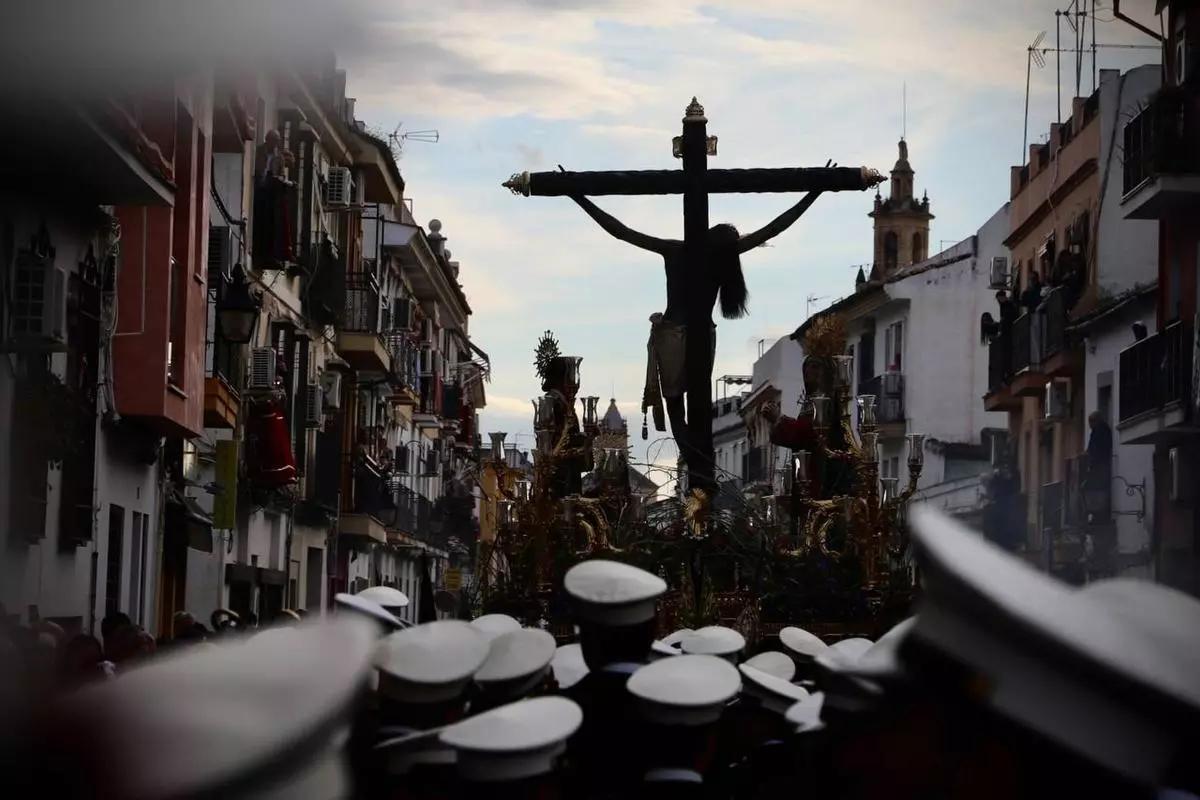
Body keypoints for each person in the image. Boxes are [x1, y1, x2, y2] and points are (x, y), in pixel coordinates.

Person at [568, 168, 832, 494]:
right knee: (699, 407)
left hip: (671, 335)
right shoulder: (724, 258)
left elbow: (620, 231)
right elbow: (774, 228)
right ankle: (701, 468)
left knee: (677, 408)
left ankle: (696, 465)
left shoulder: (675, 250)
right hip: (703, 336)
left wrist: (578, 196)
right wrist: (815, 192)